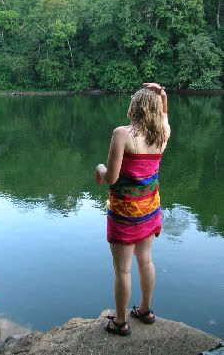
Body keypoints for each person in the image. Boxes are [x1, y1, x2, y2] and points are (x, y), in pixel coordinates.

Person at [95, 82, 170, 336]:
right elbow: (164, 117)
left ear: (135, 107)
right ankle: (146, 310)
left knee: (123, 269)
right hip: (149, 209)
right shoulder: (163, 134)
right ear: (157, 109)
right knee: (146, 260)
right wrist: (162, 95)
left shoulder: (122, 134)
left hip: (125, 213)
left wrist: (99, 169)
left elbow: (112, 178)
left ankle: (119, 321)